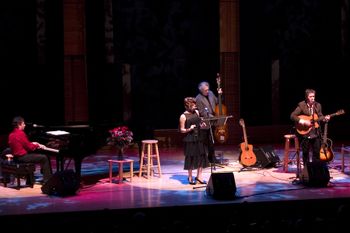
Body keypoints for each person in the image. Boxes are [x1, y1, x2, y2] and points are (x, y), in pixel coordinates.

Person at [290, 89, 330, 165]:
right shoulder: (302, 105)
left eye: (313, 96)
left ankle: (316, 168)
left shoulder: (318, 105)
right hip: (305, 131)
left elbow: (320, 116)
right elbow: (292, 116)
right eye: (310, 96)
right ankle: (306, 169)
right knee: (305, 152)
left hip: (316, 131)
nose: (312, 98)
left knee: (317, 151)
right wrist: (303, 121)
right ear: (306, 97)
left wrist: (325, 118)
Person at [8, 116, 52, 184]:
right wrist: (38, 145)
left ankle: (30, 181)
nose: (25, 125)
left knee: (35, 156)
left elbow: (23, 144)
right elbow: (29, 147)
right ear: (19, 124)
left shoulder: (11, 134)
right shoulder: (20, 133)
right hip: (22, 158)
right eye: (23, 124)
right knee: (44, 158)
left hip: (16, 158)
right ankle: (48, 181)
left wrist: (33, 143)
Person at [179, 97, 209, 185]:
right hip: (190, 139)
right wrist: (189, 129)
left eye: (194, 104)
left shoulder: (196, 112)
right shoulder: (183, 116)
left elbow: (199, 122)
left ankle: (199, 177)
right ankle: (190, 177)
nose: (194, 106)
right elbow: (182, 130)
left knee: (201, 156)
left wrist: (202, 124)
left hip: (199, 137)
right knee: (190, 158)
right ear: (187, 106)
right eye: (192, 105)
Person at [195, 81, 222, 163]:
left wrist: (220, 94)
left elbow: (218, 102)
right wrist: (212, 117)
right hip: (205, 123)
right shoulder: (198, 98)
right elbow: (202, 112)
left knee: (211, 140)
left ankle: (212, 157)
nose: (207, 91)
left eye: (208, 89)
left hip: (213, 121)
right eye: (205, 90)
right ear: (201, 90)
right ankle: (204, 159)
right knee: (204, 141)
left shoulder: (211, 93)